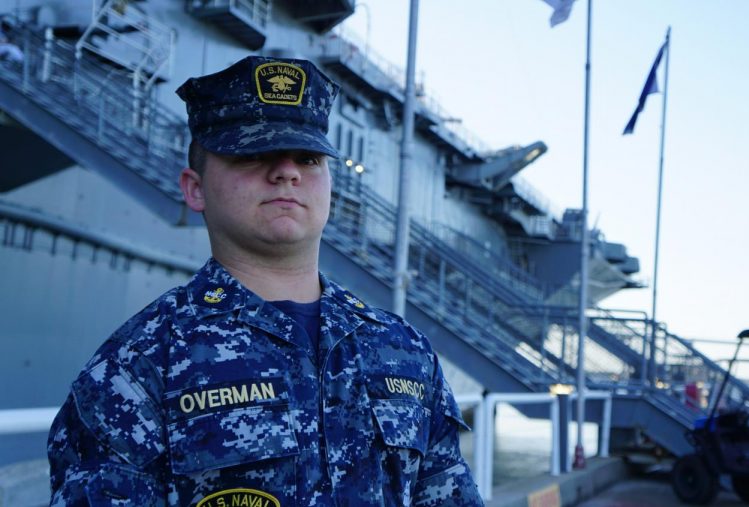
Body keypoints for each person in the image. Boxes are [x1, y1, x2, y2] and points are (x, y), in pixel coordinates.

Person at [47, 56, 483, 507]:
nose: (287, 172)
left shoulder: (405, 351)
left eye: (309, 158)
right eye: (253, 154)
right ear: (194, 188)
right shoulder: (136, 367)